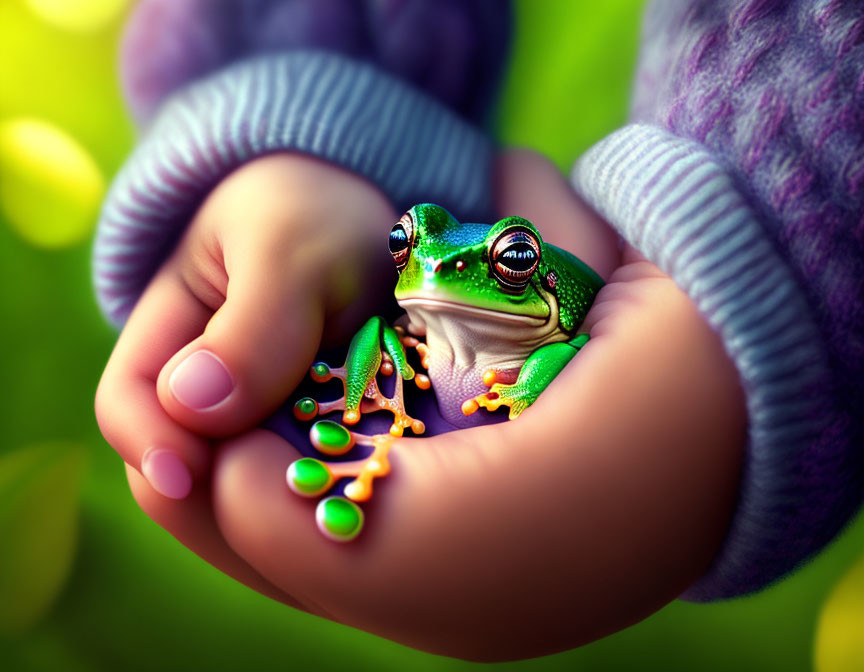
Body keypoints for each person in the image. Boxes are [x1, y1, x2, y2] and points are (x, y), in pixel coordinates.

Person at [93, 0, 863, 661]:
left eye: (513, 257)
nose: (427, 268)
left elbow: (563, 343)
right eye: (406, 247)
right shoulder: (416, 289)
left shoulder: (549, 312)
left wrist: (756, 275)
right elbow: (381, 329)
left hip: (572, 325)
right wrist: (308, 95)